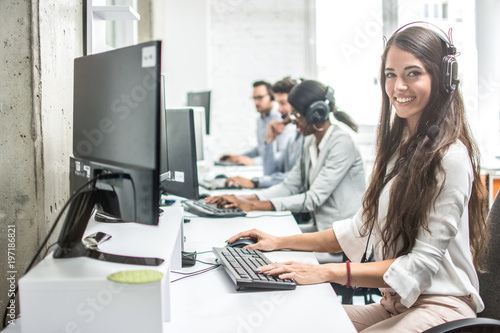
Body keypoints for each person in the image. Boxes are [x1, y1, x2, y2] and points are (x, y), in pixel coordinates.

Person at [224, 24, 490, 332]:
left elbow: (419, 266)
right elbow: (356, 230)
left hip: (441, 306)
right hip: (398, 303)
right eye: (391, 74)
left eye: (412, 73)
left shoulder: (450, 157)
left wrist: (329, 273)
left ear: (443, 79)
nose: (398, 86)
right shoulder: (399, 148)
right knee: (297, 323)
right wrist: (279, 242)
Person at [207, 79, 366, 232]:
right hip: (323, 229)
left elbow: (312, 199)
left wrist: (252, 206)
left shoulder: (341, 143)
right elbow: (289, 186)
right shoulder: (311, 142)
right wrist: (243, 198)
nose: (292, 120)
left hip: (344, 239)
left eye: (296, 115)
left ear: (315, 114)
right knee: (263, 237)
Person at [225, 77, 304, 189]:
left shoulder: (300, 135)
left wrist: (255, 182)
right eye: (254, 98)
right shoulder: (294, 138)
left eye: (283, 103)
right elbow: (270, 171)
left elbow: (296, 180)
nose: (279, 109)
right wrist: (269, 139)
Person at [220, 80, 284, 166]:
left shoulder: (280, 119)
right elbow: (260, 150)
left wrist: (253, 162)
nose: (256, 102)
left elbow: (282, 155)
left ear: (272, 97)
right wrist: (240, 157)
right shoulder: (260, 120)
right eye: (254, 98)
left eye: (260, 98)